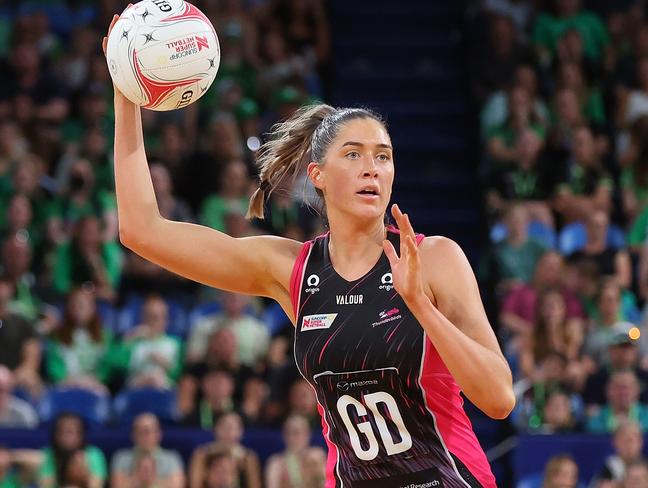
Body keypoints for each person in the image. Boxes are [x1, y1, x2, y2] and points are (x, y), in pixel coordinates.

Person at [104, 16, 514, 486]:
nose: (372, 169)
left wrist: (421, 306)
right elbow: (142, 231)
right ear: (317, 174)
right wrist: (126, 93)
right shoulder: (292, 270)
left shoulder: (436, 257)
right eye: (354, 154)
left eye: (383, 156)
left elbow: (499, 398)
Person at [110, 413, 185, 488]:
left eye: (149, 431)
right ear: (133, 435)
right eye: (140, 431)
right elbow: (117, 485)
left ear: (159, 434)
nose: (145, 436)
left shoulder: (172, 458)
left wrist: (135, 480)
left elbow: (177, 485)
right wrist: (162, 481)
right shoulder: (121, 457)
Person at [265, 414, 327, 488]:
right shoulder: (275, 463)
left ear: (307, 434)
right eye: (288, 433)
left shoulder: (318, 457)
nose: (291, 438)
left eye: (296, 432)